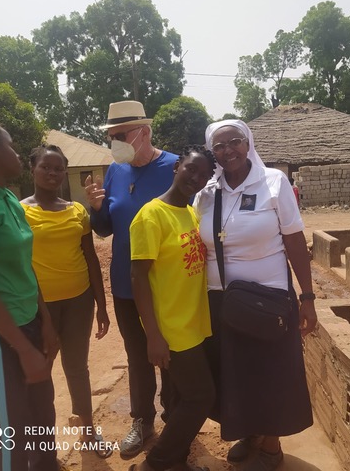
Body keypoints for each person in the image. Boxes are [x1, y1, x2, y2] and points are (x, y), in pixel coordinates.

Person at [193, 119, 318, 471]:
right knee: (235, 373)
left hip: (268, 299)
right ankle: (250, 432)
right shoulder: (207, 193)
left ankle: (271, 446)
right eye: (219, 146)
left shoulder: (273, 183)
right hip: (221, 300)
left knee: (269, 372)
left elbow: (294, 240)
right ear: (212, 152)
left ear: (248, 143)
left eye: (235, 141)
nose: (228, 150)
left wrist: (306, 297)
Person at [84, 100, 177, 458]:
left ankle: (173, 418)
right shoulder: (115, 171)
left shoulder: (174, 168)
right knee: (137, 355)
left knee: (169, 353)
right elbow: (107, 229)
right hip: (125, 284)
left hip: (166, 283)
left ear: (144, 132)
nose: (114, 142)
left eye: (120, 135)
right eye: (111, 137)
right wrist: (96, 210)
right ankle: (143, 421)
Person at [0, 120, 60, 471]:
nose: (18, 152)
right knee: (8, 425)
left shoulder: (6, 196)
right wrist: (23, 349)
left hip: (30, 321)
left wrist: (46, 322)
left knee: (41, 410)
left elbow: (25, 265)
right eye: (10, 145)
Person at [20, 144, 112, 458]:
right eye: (46, 167)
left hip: (79, 300)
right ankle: (44, 447)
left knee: (77, 367)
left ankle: (87, 431)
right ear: (32, 168)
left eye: (59, 168)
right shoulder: (20, 211)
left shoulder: (77, 211)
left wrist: (101, 305)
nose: (53, 173)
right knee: (40, 371)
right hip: (37, 306)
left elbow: (90, 258)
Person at [129, 146, 216, 471]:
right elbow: (138, 277)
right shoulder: (151, 216)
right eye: (191, 169)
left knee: (181, 398)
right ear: (177, 166)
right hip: (171, 328)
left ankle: (175, 461)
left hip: (193, 323)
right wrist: (153, 335)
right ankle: (156, 463)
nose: (196, 178)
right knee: (200, 397)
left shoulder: (191, 213)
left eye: (204, 175)